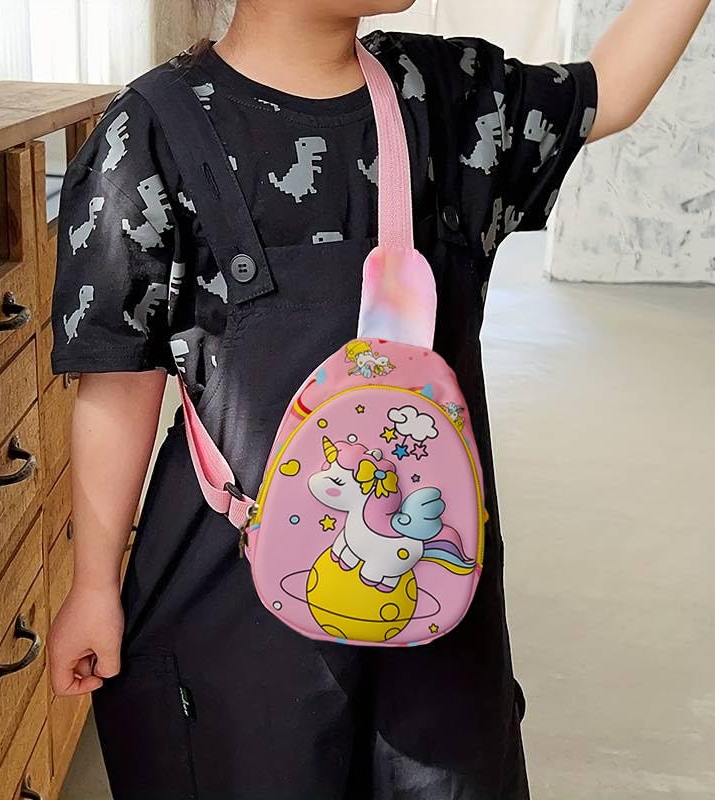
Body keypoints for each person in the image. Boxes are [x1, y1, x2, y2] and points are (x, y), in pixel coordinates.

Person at [47, 1, 711, 798]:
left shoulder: (448, 96)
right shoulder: (150, 133)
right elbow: (120, 380)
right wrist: (94, 585)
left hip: (433, 602)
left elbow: (611, 90)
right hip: (231, 604)